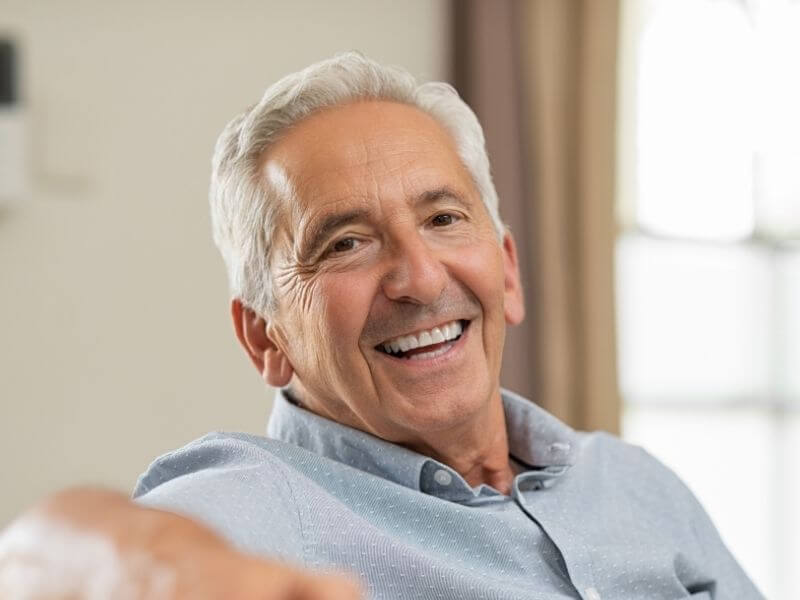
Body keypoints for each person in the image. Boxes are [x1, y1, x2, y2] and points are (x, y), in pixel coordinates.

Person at [0, 53, 761, 600]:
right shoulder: (261, 508)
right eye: (346, 244)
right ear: (266, 338)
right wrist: (156, 571)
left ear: (508, 272)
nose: (420, 278)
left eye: (442, 218)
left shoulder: (632, 485)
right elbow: (37, 559)